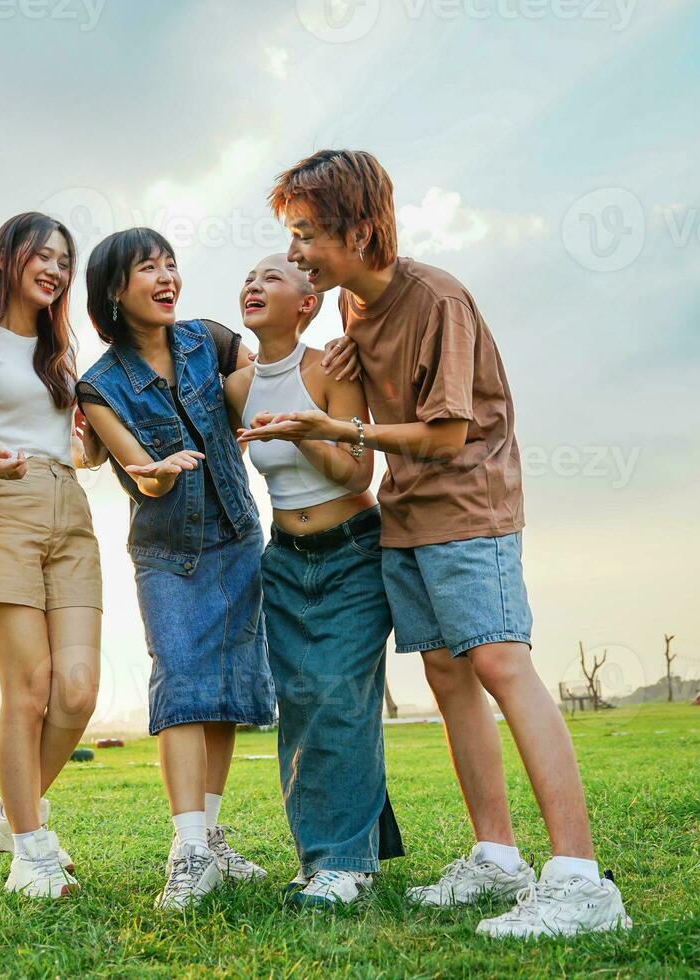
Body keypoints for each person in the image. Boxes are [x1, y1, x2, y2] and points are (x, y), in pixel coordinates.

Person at [242, 148, 632, 938]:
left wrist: (338, 428)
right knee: (449, 677)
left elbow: (450, 432)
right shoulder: (352, 307)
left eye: (307, 234)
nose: (295, 253)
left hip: (469, 504)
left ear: (360, 229)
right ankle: (496, 856)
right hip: (405, 512)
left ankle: (581, 879)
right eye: (291, 235)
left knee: (497, 661)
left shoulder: (438, 299)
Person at [76, 228, 274, 910]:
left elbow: (265, 386)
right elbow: (138, 469)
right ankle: (187, 850)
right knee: (183, 683)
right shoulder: (99, 386)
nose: (165, 277)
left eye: (170, 264)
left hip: (239, 538)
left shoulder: (211, 341)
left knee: (225, 690)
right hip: (169, 553)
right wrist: (155, 472)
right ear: (114, 289)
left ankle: (211, 838)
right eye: (146, 268)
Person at [224, 254, 404, 909]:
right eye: (250, 276)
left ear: (306, 303)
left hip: (352, 550)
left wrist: (302, 436)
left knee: (340, 697)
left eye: (270, 277)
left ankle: (343, 862)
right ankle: (324, 858)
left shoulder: (331, 367)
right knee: (301, 708)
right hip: (284, 558)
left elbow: (357, 473)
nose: (253, 283)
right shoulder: (238, 386)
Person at [0, 211, 107, 899]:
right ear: (7, 258)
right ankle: (30, 851)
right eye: (42, 255)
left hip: (70, 509)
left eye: (65, 261)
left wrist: (94, 442)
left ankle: (10, 815)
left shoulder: (58, 352)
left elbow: (79, 448)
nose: (55, 269)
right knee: (31, 690)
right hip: (4, 507)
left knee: (77, 690)